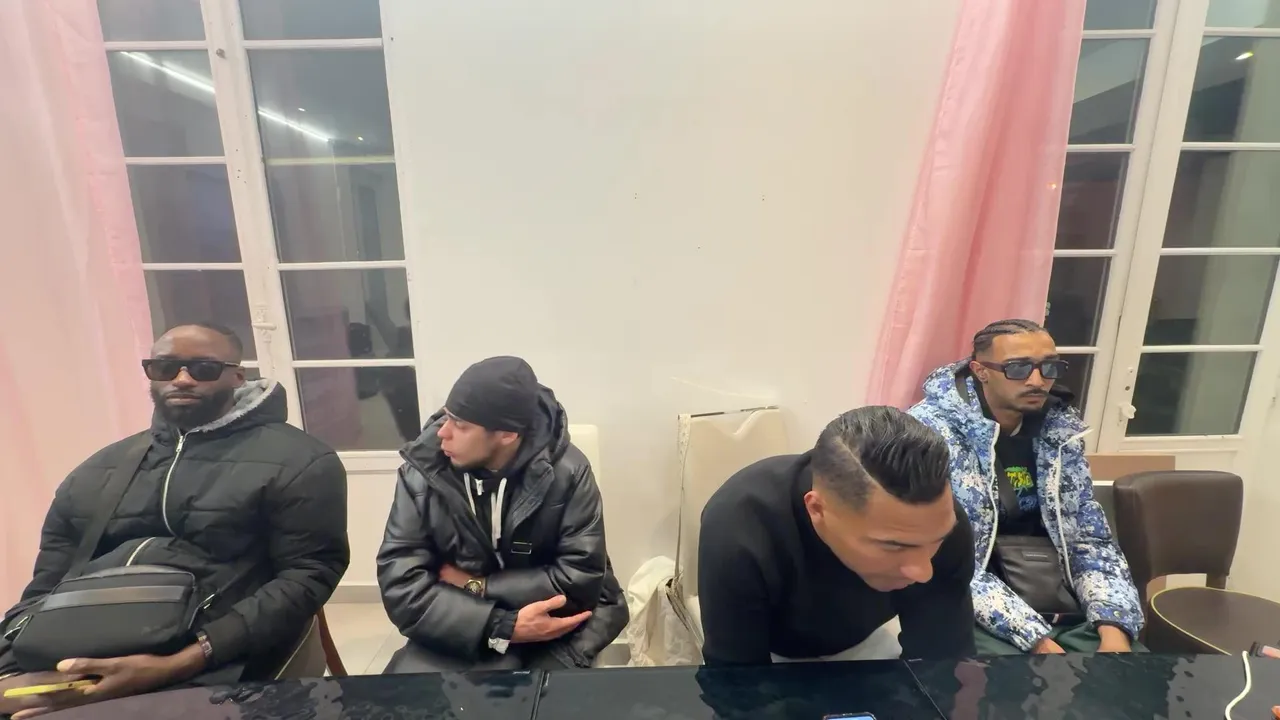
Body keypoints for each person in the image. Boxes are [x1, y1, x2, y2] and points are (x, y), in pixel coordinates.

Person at [0, 323, 349, 718]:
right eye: (165, 368)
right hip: (76, 651)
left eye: (203, 369)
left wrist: (180, 662)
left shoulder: (299, 461)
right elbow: (48, 583)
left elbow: (308, 575)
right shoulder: (98, 471)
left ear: (237, 376)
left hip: (214, 654)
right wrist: (12, 664)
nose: (182, 379)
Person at [377, 356, 628, 671]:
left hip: (557, 627)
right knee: (405, 694)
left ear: (507, 435)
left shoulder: (569, 473)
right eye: (446, 417)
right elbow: (402, 587)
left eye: (461, 425)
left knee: (536, 695)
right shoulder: (422, 474)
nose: (443, 433)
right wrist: (499, 625)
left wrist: (476, 585)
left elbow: (578, 581)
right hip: (464, 626)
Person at [909, 318, 1143, 655]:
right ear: (980, 370)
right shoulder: (928, 435)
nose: (1037, 381)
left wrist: (1114, 626)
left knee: (1133, 673)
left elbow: (1089, 540)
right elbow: (943, 559)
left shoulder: (1060, 432)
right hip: (969, 604)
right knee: (1025, 681)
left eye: (1049, 367)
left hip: (1059, 599)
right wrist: (1036, 640)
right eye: (1017, 368)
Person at [697, 406, 977, 666]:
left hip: (866, 641)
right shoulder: (740, 532)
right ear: (817, 509)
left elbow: (942, 660)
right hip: (768, 650)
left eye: (937, 541)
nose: (924, 571)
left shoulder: (941, 524)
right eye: (894, 546)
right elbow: (737, 679)